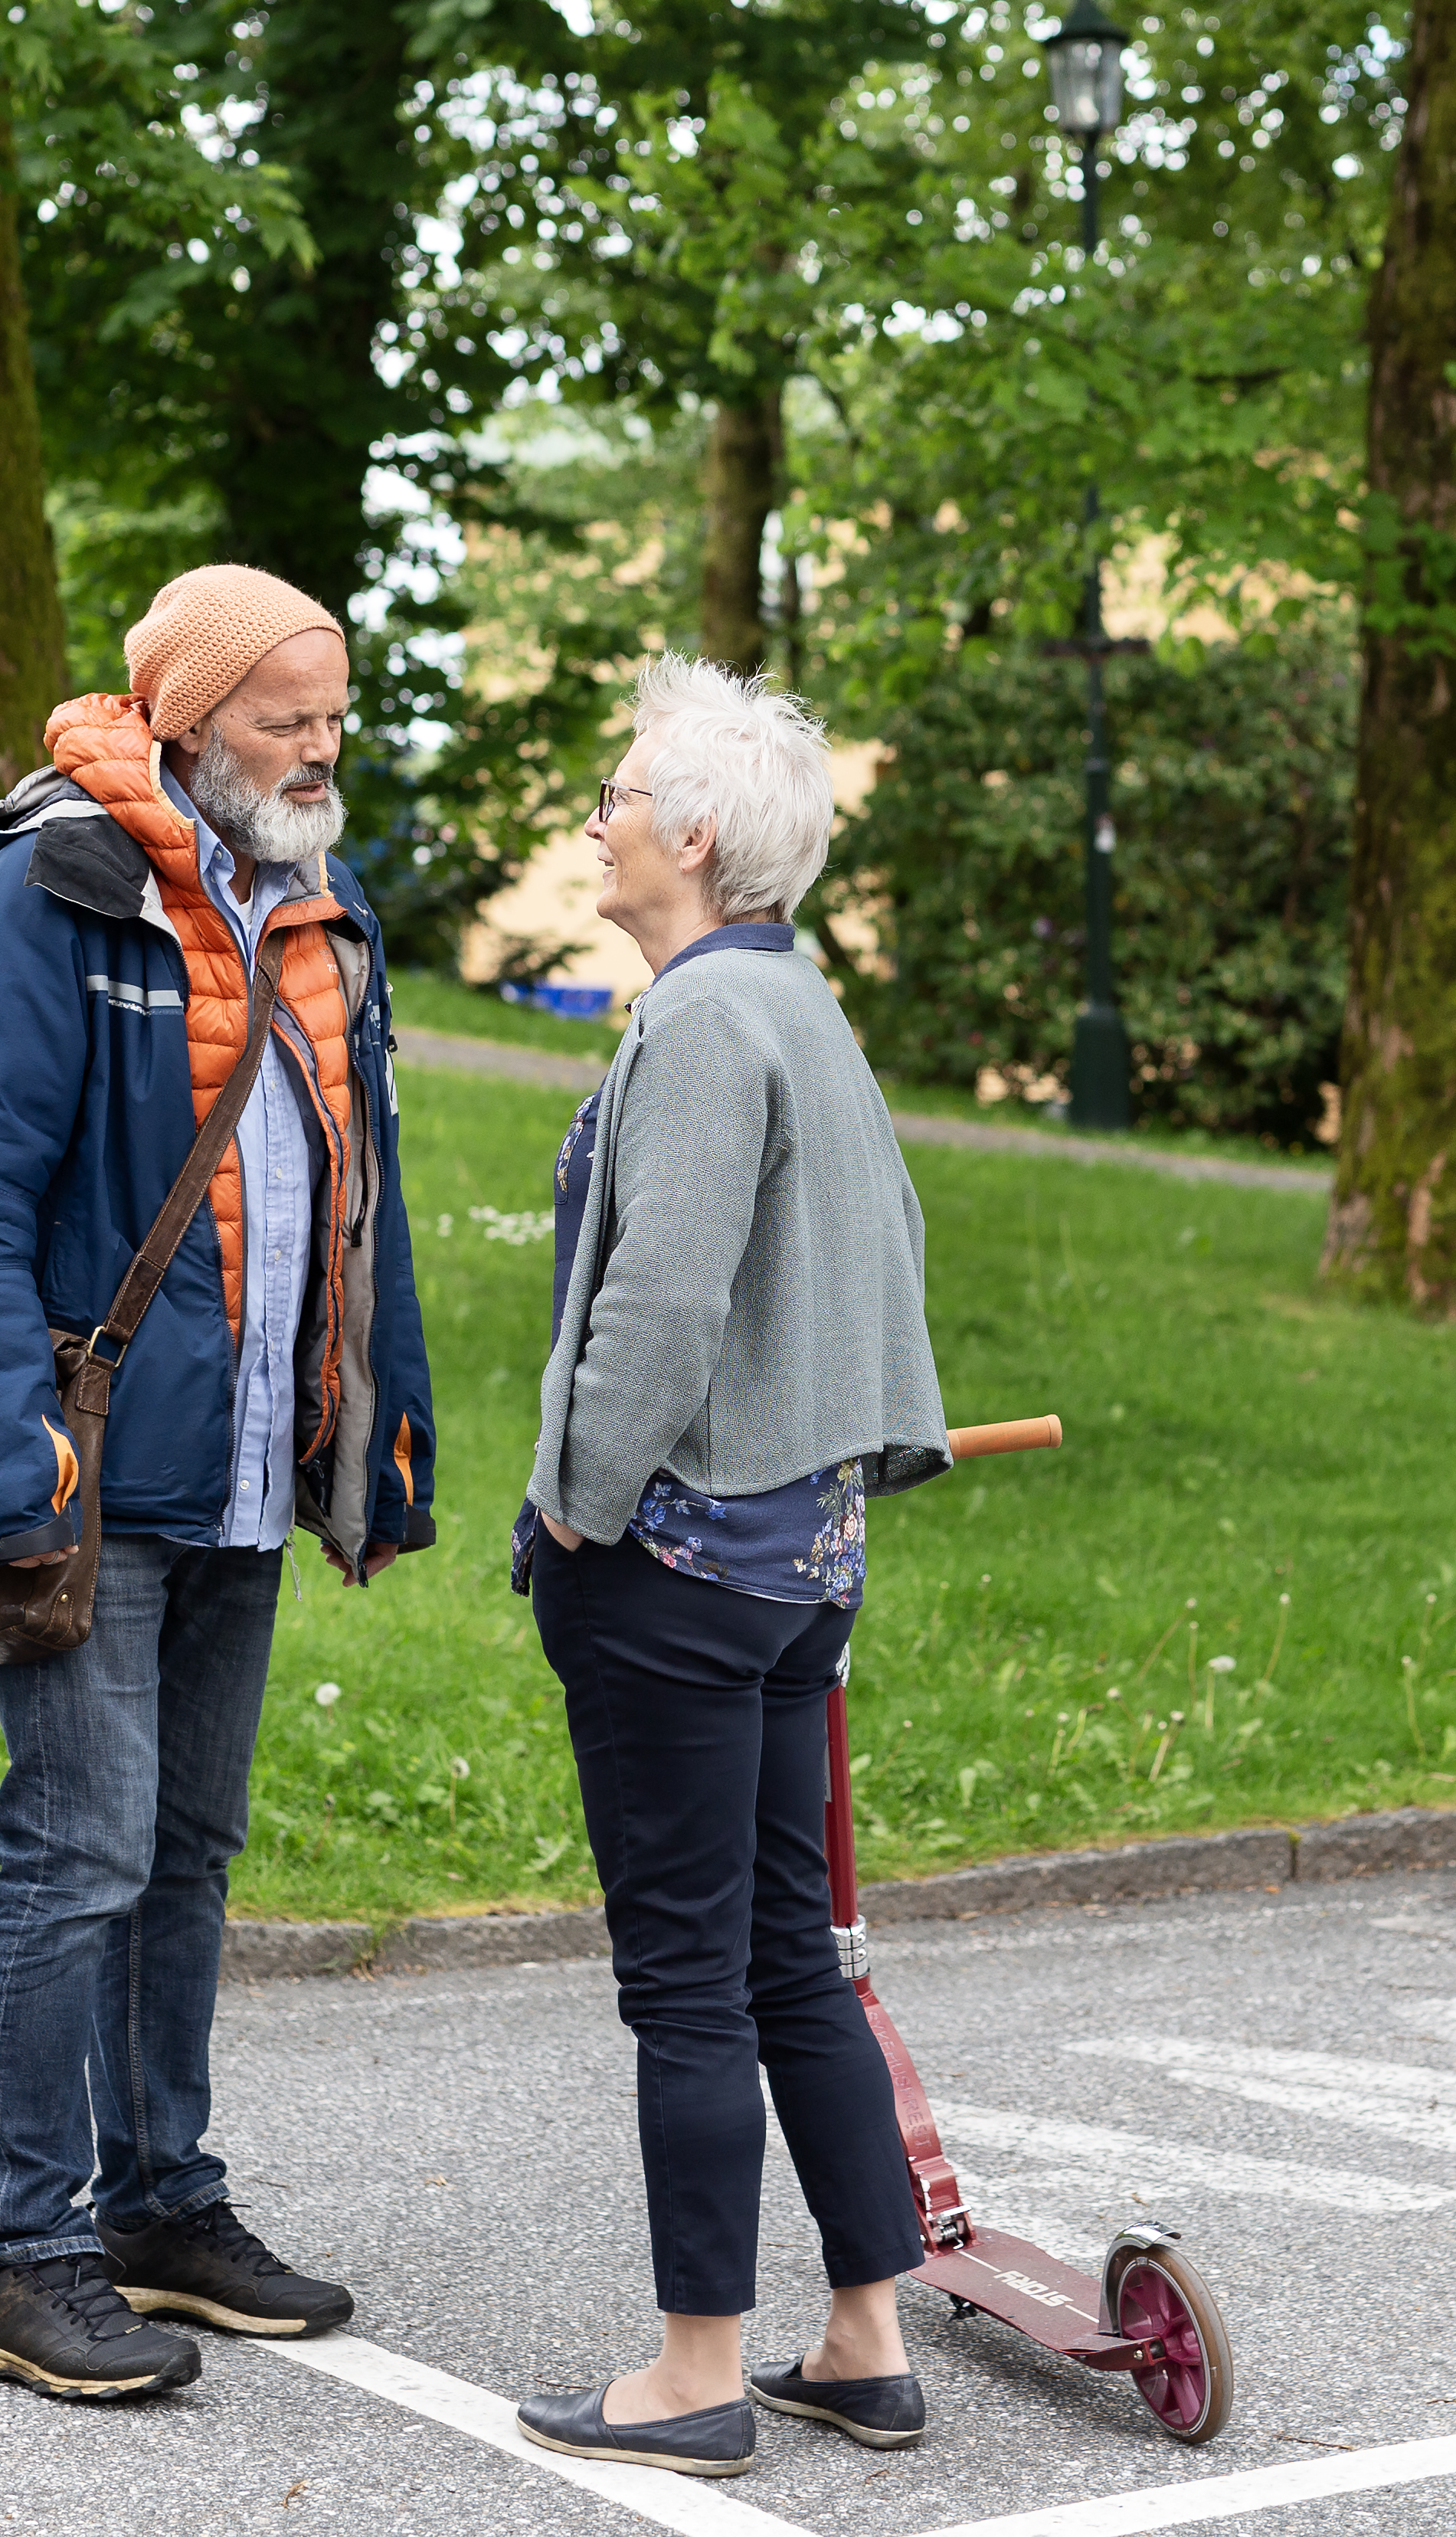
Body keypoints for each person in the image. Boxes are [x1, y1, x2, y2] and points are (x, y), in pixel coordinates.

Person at [0, 564, 437, 2401]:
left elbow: (358, 1208)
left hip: (245, 1470)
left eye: (336, 718)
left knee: (187, 1853)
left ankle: (159, 2204)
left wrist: (380, 1441)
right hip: (88, 1467)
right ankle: (19, 2252)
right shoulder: (54, 893)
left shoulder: (324, 905)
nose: (319, 750)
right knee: (81, 1846)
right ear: (189, 721)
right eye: (287, 720)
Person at [506, 656, 954, 2479]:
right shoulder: (803, 1008)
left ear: (691, 838)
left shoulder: (699, 1024)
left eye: (619, 793)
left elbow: (663, 1304)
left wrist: (574, 1505)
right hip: (800, 1565)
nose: (597, 820)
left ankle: (694, 2374)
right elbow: (887, 1259)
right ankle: (862, 2337)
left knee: (689, 1975)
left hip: (679, 1571)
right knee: (790, 1957)